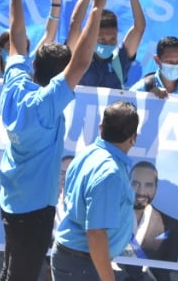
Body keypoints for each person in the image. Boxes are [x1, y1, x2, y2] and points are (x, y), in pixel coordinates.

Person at [0, 0, 109, 281]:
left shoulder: (15, 83)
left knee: (10, 269)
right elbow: (82, 62)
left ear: (35, 65)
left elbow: (16, 38)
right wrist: (98, 6)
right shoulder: (46, 105)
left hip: (11, 199)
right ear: (59, 78)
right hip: (33, 210)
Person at [51, 101, 141, 280]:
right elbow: (96, 232)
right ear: (133, 138)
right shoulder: (109, 172)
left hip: (77, 259)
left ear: (101, 127)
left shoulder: (87, 153)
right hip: (83, 264)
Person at [72, 0, 146, 90]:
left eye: (112, 39)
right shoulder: (78, 56)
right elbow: (75, 24)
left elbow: (139, 27)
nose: (108, 43)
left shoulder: (120, 60)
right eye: (101, 39)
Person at [126, 161, 178, 276]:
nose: (141, 191)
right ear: (128, 184)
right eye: (135, 184)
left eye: (148, 185)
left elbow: (168, 269)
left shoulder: (170, 225)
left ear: (156, 187)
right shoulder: (109, 218)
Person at [131, 36, 178, 100]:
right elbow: (125, 112)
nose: (174, 65)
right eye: (169, 62)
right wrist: (146, 99)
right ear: (157, 60)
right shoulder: (141, 89)